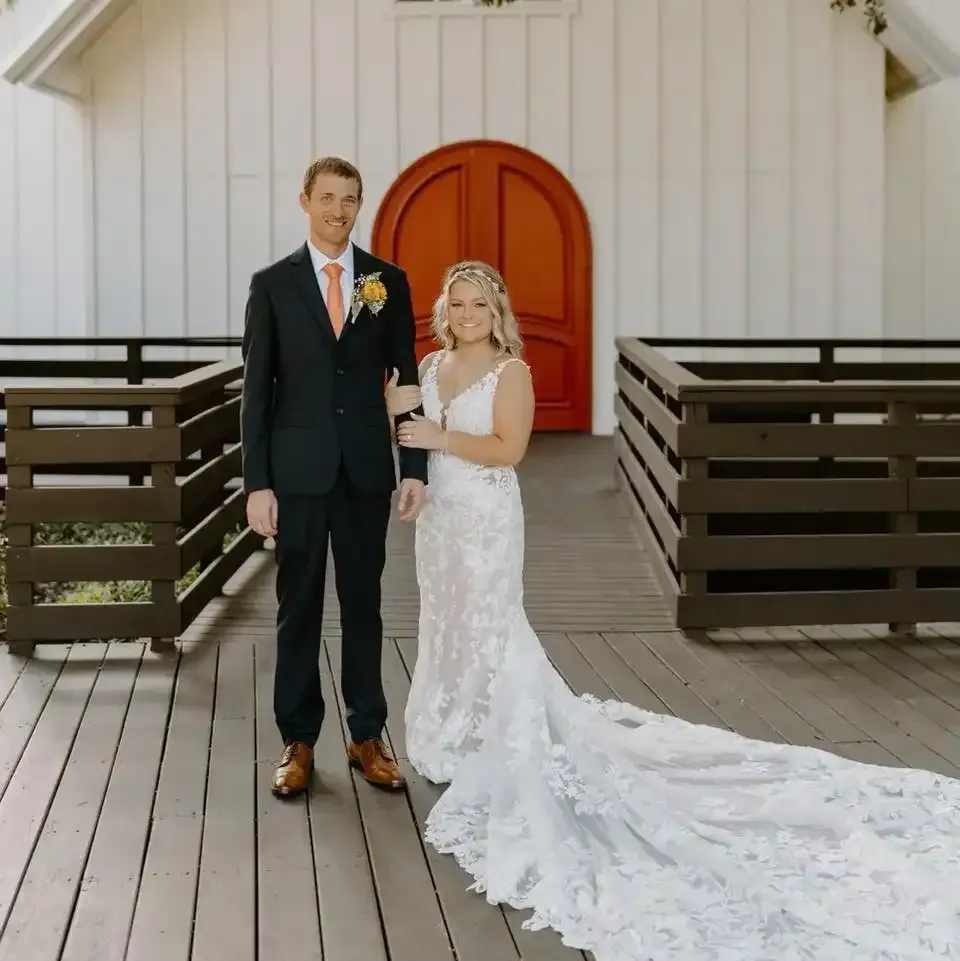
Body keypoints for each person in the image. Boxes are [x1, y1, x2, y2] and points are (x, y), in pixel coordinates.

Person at [388, 260, 960, 961]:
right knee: (445, 619)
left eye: (478, 302)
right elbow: (413, 435)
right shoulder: (430, 359)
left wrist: (437, 438)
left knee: (490, 624)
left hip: (486, 520)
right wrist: (404, 426)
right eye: (457, 302)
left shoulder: (512, 373)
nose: (468, 312)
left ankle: (494, 727)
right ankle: (449, 718)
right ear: (444, 310)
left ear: (497, 308)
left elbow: (509, 451)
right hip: (441, 518)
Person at [241, 156, 427, 799]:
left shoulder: (388, 282)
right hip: (294, 475)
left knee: (364, 605)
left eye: (349, 199)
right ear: (305, 200)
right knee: (298, 609)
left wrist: (416, 469)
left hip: (366, 472)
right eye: (327, 198)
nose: (338, 210)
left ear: (359, 204)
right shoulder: (271, 285)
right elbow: (256, 395)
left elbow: (406, 382)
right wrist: (256, 483)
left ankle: (366, 733)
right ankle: (298, 740)